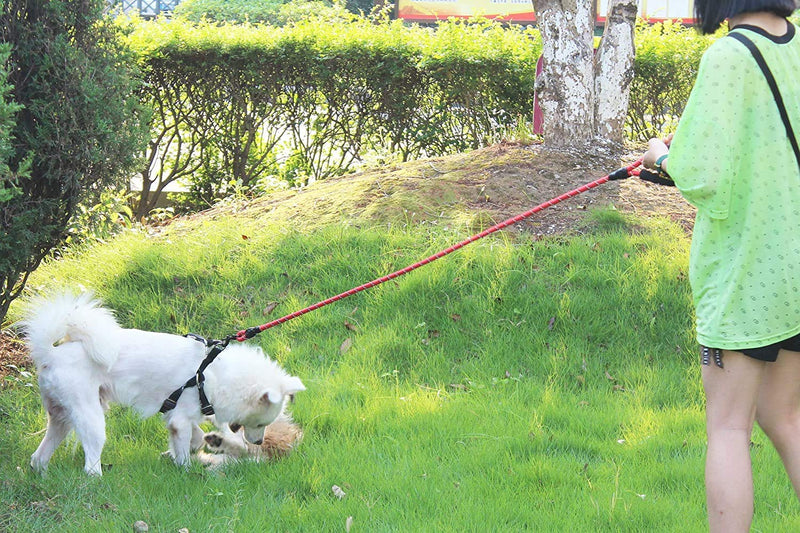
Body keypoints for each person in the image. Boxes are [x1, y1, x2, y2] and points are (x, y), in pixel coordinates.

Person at [642, 1, 800, 531]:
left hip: (745, 274)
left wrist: (659, 157)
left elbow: (702, 174)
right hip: (794, 273)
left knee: (729, 427)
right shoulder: (796, 44)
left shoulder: (728, 57)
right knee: (787, 417)